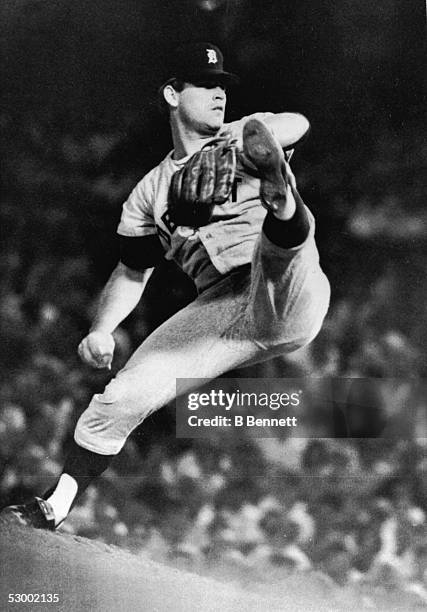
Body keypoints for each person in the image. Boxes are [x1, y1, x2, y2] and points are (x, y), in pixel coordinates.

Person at [1, 42, 330, 530]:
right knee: (123, 394)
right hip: (222, 309)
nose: (220, 94)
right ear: (173, 94)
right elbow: (132, 271)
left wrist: (254, 147)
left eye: (223, 86)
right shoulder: (148, 194)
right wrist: (102, 328)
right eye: (207, 85)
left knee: (279, 250)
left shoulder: (241, 133)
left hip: (286, 291)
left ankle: (280, 201)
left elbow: (294, 123)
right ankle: (56, 504)